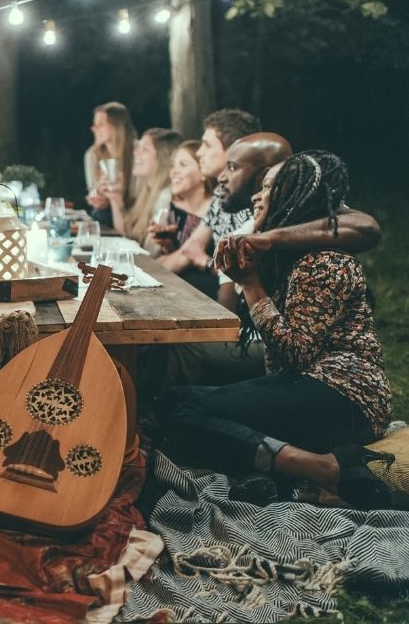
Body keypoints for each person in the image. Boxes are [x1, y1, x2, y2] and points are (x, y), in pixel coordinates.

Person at [159, 151, 394, 510]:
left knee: (186, 418)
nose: (256, 195)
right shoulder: (290, 257)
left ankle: (322, 469)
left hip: (346, 398)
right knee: (170, 403)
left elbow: (296, 352)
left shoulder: (325, 261)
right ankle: (274, 474)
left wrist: (251, 285)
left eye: (268, 187)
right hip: (307, 383)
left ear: (291, 197)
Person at [160, 109, 263, 277]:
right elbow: (190, 249)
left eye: (207, 145)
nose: (200, 152)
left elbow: (245, 275)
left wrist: (205, 262)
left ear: (235, 149)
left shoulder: (254, 200)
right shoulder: (220, 193)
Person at [98, 128, 182, 253]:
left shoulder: (166, 198)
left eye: (145, 149)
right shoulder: (148, 192)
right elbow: (127, 237)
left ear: (163, 157)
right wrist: (115, 197)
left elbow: (150, 255)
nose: (136, 152)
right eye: (138, 147)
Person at [153, 140, 215, 294]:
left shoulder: (215, 208)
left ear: (203, 173)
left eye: (183, 164)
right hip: (179, 284)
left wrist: (148, 269)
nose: (173, 171)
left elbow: (185, 257)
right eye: (173, 165)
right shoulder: (174, 207)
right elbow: (176, 254)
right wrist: (168, 246)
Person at [84, 101, 137, 228]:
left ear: (118, 126)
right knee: (100, 215)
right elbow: (93, 190)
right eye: (94, 124)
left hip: (134, 211)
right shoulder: (93, 155)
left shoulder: (137, 152)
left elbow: (141, 195)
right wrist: (98, 199)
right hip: (107, 213)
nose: (94, 128)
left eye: (101, 123)